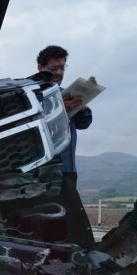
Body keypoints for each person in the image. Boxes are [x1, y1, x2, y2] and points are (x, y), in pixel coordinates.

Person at [36, 45, 93, 188]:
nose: (59, 73)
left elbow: (83, 124)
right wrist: (59, 109)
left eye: (62, 68)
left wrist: (82, 107)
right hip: (39, 173)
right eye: (53, 69)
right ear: (40, 67)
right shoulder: (28, 95)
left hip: (67, 169)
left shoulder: (67, 93)